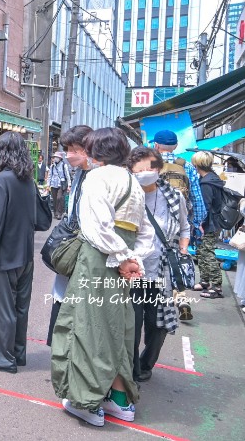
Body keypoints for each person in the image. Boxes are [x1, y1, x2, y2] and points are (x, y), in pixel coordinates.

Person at [51, 127, 154, 427]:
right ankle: (120, 402)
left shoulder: (97, 178)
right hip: (124, 264)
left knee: (87, 329)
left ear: (97, 151)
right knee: (119, 330)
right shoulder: (132, 182)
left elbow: (97, 228)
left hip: (98, 260)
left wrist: (122, 258)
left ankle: (87, 403)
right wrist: (133, 259)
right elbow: (145, 232)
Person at [127, 146, 188, 382]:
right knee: (131, 325)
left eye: (150, 167)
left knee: (158, 324)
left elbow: (185, 226)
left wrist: (182, 249)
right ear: (131, 171)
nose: (145, 172)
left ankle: (145, 364)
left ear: (159, 168)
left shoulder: (173, 197)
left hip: (161, 273)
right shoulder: (127, 196)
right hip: (132, 271)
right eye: (139, 169)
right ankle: (131, 369)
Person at [0, 132, 36, 374]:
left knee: (1, 308)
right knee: (20, 307)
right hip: (26, 253)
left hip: (4, 255)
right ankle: (17, 352)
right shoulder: (28, 180)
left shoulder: (2, 180)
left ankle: (1, 357)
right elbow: (40, 220)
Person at [46, 125, 92, 347]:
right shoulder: (80, 173)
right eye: (67, 149)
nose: (69, 154)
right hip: (73, 245)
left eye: (74, 149)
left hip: (84, 249)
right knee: (63, 299)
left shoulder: (96, 176)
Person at [151, 130, 206, 240]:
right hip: (178, 222)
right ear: (176, 146)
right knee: (175, 254)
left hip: (151, 220)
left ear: (156, 146)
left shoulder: (149, 164)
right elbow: (197, 198)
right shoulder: (188, 166)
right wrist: (196, 223)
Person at [193, 151, 225, 299]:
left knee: (207, 253)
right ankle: (205, 281)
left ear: (197, 164)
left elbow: (205, 206)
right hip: (213, 222)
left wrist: (200, 224)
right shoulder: (212, 178)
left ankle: (217, 287)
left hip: (209, 223)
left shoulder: (206, 183)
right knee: (201, 252)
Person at [47, 151, 71, 220]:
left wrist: (69, 185)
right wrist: (48, 185)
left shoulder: (64, 165)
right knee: (54, 199)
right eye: (55, 157)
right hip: (53, 184)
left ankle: (59, 213)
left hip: (61, 184)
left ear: (60, 158)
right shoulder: (52, 166)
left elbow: (67, 175)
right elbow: (50, 175)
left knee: (59, 198)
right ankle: (55, 212)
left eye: (57, 157)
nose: (55, 158)